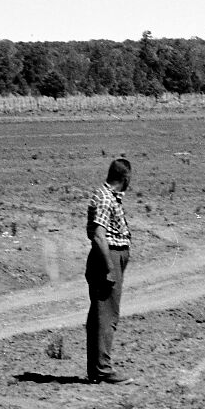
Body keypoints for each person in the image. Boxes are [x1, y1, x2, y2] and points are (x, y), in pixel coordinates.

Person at [83, 155, 133, 382]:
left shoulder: (106, 196)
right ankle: (102, 370)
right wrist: (110, 267)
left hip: (109, 257)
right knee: (106, 316)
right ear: (125, 177)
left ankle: (98, 368)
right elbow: (99, 236)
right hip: (108, 258)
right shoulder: (105, 198)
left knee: (100, 315)